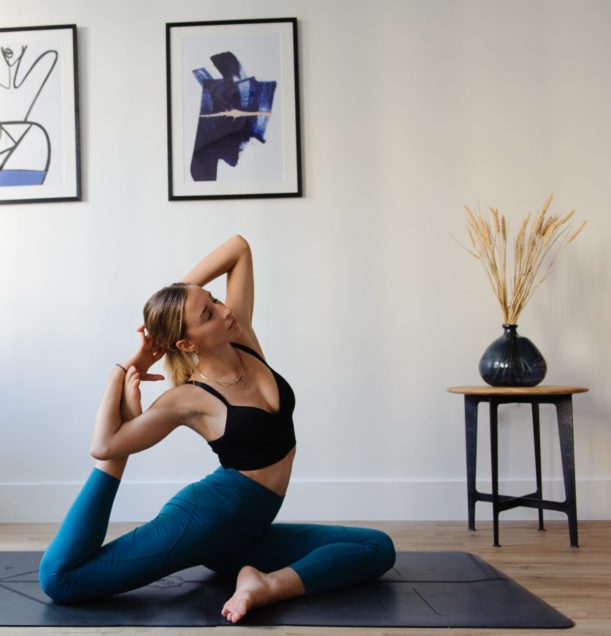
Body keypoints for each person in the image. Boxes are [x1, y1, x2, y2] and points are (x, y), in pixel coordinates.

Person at [39, 235, 395, 623]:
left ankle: (263, 583)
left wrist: (180, 298)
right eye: (208, 314)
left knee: (376, 547)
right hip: (207, 520)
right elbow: (103, 445)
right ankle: (266, 587)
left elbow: (238, 248)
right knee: (62, 580)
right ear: (187, 343)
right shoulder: (189, 399)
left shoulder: (243, 341)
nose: (224, 311)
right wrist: (123, 371)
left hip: (248, 531)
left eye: (215, 301)